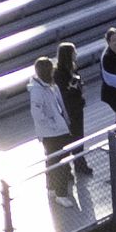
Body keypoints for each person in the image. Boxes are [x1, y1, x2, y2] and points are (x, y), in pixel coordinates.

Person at [27, 56, 74, 206]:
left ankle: (52, 188)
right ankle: (60, 193)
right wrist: (54, 124)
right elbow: (37, 114)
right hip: (52, 132)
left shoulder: (52, 86)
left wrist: (64, 119)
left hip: (58, 129)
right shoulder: (37, 91)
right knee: (60, 161)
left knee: (52, 159)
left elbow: (60, 105)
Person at [52, 40, 93, 175]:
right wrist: (72, 87)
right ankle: (67, 169)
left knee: (79, 137)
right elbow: (62, 93)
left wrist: (80, 86)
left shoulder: (72, 68)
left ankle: (79, 164)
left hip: (77, 106)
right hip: (68, 110)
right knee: (69, 138)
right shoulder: (59, 73)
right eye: (73, 52)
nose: (76, 54)